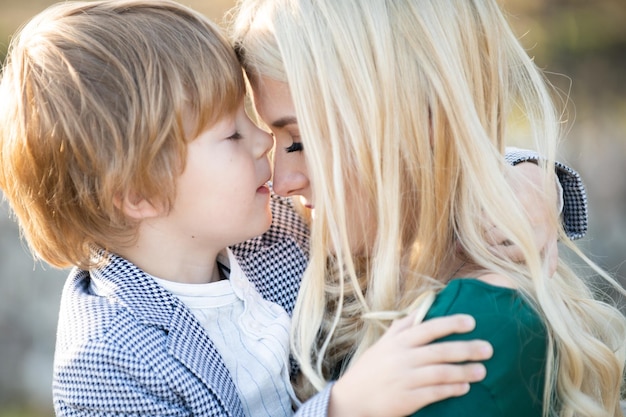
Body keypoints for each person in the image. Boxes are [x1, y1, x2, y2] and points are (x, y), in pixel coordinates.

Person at [0, 0, 509, 415]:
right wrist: (342, 409)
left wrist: (527, 175)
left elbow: (414, 183)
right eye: (232, 133)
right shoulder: (107, 361)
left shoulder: (272, 235)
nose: (265, 142)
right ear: (141, 194)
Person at [230, 0, 626, 416]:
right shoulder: (333, 255)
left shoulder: (468, 333)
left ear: (425, 120)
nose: (280, 182)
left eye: (300, 142)